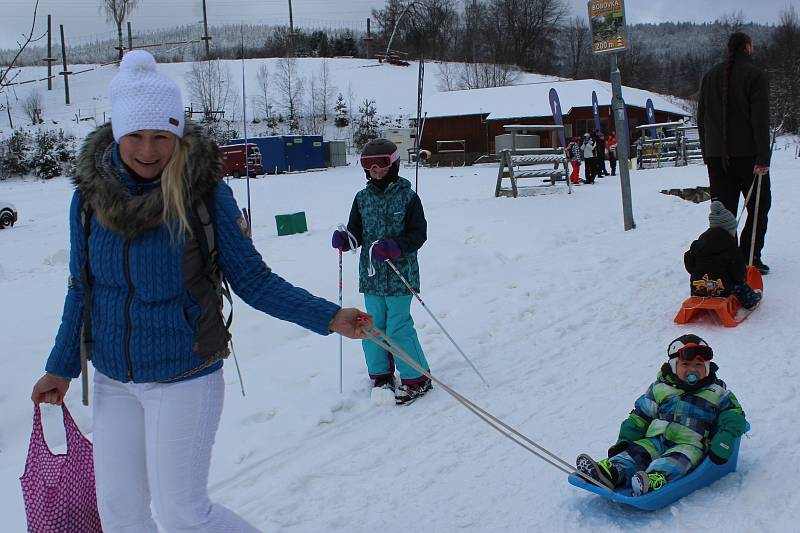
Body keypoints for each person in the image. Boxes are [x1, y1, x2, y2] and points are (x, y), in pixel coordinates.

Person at [30, 50, 373, 533]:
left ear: (177, 134)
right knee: (120, 513)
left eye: (161, 137)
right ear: (115, 132)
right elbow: (80, 288)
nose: (148, 151)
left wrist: (329, 316)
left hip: (186, 374)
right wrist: (60, 366)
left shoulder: (204, 194)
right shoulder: (88, 199)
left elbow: (253, 279)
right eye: (136, 136)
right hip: (113, 380)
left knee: (183, 515)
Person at [576, 334, 746, 496]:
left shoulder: (717, 393)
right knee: (636, 453)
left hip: (690, 443)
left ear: (708, 368)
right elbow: (640, 416)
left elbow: (734, 416)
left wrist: (726, 437)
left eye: (699, 365)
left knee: (676, 461)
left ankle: (654, 479)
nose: (692, 370)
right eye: (685, 365)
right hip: (655, 439)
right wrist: (626, 440)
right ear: (674, 366)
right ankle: (611, 473)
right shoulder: (660, 389)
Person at [331, 139, 432, 405]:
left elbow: (419, 234)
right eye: (368, 165)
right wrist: (346, 238)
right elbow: (357, 232)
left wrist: (397, 246)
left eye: (382, 164)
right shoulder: (362, 198)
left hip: (401, 274)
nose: (375, 170)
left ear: (394, 163)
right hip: (372, 275)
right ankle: (381, 375)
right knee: (370, 326)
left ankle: (417, 377)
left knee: (398, 327)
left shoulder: (408, 197)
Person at [697, 32, 771, 274]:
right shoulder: (755, 76)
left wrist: (708, 152)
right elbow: (760, 120)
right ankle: (748, 257)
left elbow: (701, 119)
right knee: (759, 207)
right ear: (748, 47)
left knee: (723, 212)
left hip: (717, 158)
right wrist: (763, 157)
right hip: (748, 156)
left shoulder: (709, 77)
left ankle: (724, 260)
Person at [684, 201, 762, 309]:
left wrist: (698, 272)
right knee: (740, 285)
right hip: (724, 288)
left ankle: (697, 298)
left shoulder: (700, 242)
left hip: (698, 287)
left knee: (699, 282)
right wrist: (740, 278)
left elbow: (689, 261)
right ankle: (751, 302)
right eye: (734, 230)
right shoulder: (731, 246)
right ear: (729, 229)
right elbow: (738, 272)